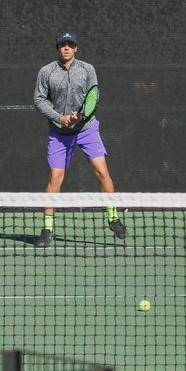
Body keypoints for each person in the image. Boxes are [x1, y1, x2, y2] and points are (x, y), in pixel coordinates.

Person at [33, 31, 127, 246]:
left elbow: (93, 99)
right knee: (54, 179)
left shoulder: (87, 69)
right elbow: (39, 100)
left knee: (102, 171)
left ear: (75, 48)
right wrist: (60, 118)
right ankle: (47, 229)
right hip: (59, 133)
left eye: (70, 44)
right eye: (62, 45)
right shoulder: (46, 72)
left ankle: (113, 218)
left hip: (87, 129)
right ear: (57, 48)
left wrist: (81, 116)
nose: (66, 48)